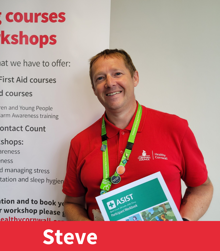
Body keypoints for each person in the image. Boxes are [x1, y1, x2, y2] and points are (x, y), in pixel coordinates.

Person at [62, 49, 213, 221]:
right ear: (94, 89)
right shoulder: (80, 142)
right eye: (100, 78)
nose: (110, 83)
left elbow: (202, 188)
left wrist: (183, 225)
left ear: (135, 78)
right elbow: (72, 203)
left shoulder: (175, 128)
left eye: (117, 73)